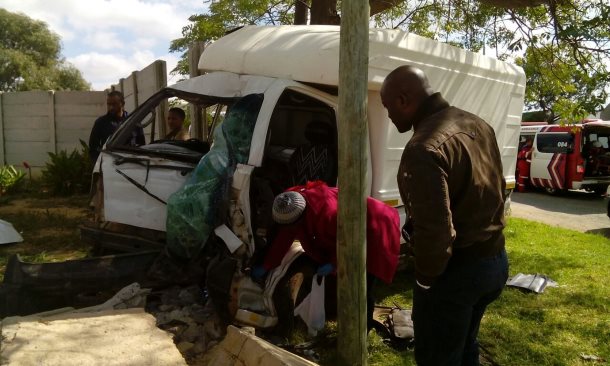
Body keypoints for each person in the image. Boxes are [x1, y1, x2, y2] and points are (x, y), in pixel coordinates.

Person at [380, 65, 509, 366]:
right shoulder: (478, 124)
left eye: (387, 107)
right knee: (465, 347)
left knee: (438, 358)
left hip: (456, 273)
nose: (388, 115)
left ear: (403, 99)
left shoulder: (423, 147)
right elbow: (497, 190)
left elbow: (436, 233)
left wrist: (425, 282)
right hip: (494, 261)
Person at [254, 180, 401, 330]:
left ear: (301, 217)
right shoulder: (290, 203)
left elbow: (347, 241)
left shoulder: (329, 213)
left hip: (373, 226)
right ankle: (338, 317)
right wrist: (267, 264)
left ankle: (362, 330)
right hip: (349, 228)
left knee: (361, 283)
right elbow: (284, 237)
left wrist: (334, 263)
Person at [88, 91, 145, 163]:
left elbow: (142, 145)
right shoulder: (100, 123)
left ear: (122, 104)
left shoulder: (133, 121)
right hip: (109, 165)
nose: (111, 107)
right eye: (109, 104)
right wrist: (99, 165)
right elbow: (93, 148)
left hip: (132, 165)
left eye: (114, 104)